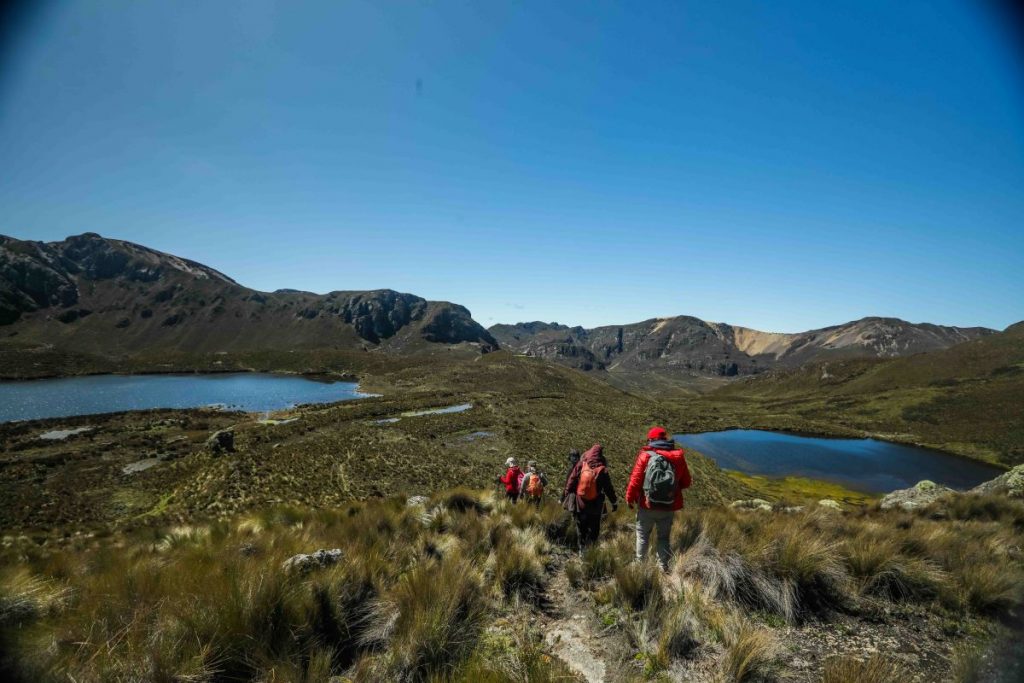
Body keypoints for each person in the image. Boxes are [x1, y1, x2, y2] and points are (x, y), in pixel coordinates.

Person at [625, 426, 692, 571]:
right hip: (668, 506)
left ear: (651, 440)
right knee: (663, 537)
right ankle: (662, 567)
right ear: (665, 439)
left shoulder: (645, 455)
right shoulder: (678, 456)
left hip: (647, 504)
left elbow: (635, 481)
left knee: (643, 536)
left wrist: (629, 498)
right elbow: (687, 482)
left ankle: (639, 565)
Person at [562, 444, 618, 553]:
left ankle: (581, 551)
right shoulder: (603, 470)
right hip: (596, 506)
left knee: (581, 528)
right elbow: (609, 489)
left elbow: (571, 480)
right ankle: (591, 551)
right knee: (594, 529)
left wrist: (567, 494)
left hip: (580, 504)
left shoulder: (581, 465)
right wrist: (614, 502)